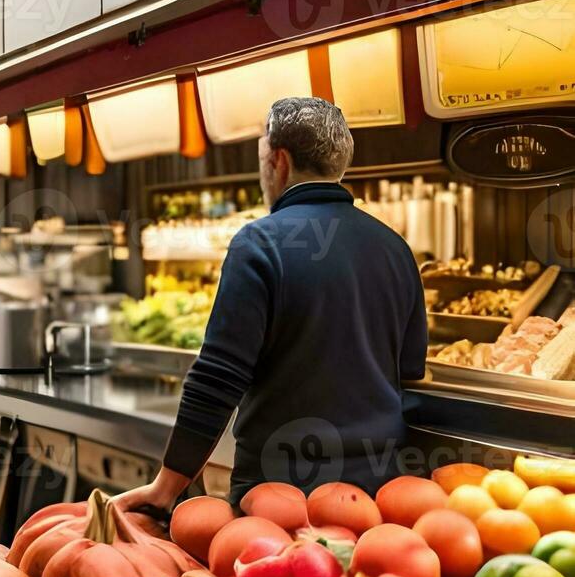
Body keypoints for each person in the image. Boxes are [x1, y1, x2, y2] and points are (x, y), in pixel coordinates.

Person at [115, 97, 427, 513]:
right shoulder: (396, 249)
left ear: (278, 160)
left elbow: (217, 378)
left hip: (279, 497)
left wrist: (167, 485)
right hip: (373, 496)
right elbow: (410, 369)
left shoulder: (259, 243)